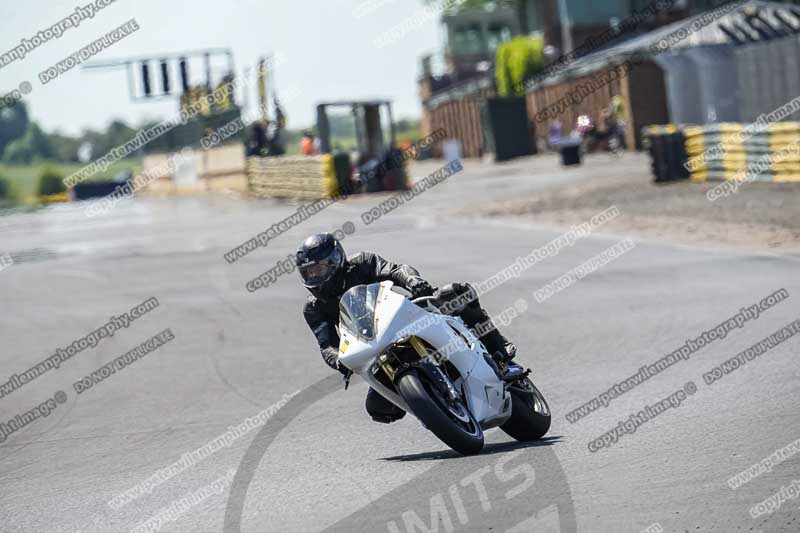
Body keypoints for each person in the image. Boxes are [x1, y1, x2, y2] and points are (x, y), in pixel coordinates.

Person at [297, 232, 517, 424]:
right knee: (379, 410)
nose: (313, 277)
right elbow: (326, 346)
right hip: (374, 346)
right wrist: (339, 360)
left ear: (335, 260)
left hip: (401, 319)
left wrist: (413, 281)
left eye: (317, 269)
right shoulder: (313, 308)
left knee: (455, 294)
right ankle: (437, 407)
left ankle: (500, 351)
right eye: (308, 273)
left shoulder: (362, 263)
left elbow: (395, 270)